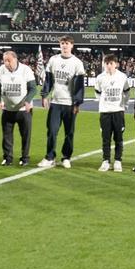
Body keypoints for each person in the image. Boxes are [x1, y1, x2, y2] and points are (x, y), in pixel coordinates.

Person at [39, 36, 85, 169]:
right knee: (52, 131)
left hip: (70, 104)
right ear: (60, 45)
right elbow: (48, 80)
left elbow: (80, 86)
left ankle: (66, 157)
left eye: (67, 43)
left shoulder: (77, 63)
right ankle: (50, 157)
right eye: (62, 43)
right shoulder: (53, 60)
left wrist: (77, 104)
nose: (64, 46)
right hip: (55, 103)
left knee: (69, 133)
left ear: (72, 46)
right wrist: (44, 95)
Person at [0, 50, 37, 166]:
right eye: (5, 61)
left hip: (24, 111)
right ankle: (7, 158)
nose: (7, 63)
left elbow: (33, 88)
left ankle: (25, 158)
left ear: (15, 59)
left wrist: (28, 101)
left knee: (25, 136)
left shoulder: (25, 70)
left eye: (9, 60)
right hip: (7, 109)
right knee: (6, 136)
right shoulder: (2, 70)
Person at [93, 53, 129, 171]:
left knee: (118, 138)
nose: (109, 66)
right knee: (106, 138)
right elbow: (97, 93)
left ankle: (118, 161)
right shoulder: (100, 78)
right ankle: (106, 161)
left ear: (116, 64)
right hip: (105, 112)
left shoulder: (122, 77)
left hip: (118, 111)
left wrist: (125, 104)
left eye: (111, 63)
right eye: (106, 63)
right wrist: (104, 104)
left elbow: (126, 92)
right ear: (104, 64)